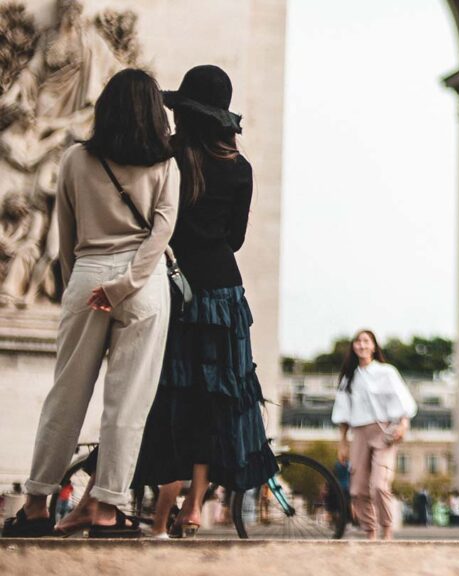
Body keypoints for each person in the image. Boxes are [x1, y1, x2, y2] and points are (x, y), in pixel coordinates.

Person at [2, 69, 178, 539]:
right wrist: (127, 284)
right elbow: (162, 233)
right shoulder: (165, 162)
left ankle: (37, 505)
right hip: (143, 285)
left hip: (88, 276)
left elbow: (67, 234)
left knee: (66, 396)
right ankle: (105, 510)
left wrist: (77, 289)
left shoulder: (75, 159)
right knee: (127, 404)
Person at [130, 64, 277, 539]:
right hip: (224, 294)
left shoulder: (169, 160)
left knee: (173, 398)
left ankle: (158, 517)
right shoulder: (240, 168)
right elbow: (235, 239)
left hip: (175, 290)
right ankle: (194, 505)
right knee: (217, 401)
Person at [332, 330, 417, 540]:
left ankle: (387, 530)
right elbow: (343, 413)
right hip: (359, 433)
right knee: (357, 489)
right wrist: (342, 443)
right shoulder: (348, 378)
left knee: (379, 485)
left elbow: (402, 401)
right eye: (358, 341)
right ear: (353, 347)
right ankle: (370, 531)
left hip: (384, 432)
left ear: (373, 346)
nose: (361, 345)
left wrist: (403, 425)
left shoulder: (386, 372)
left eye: (366, 341)